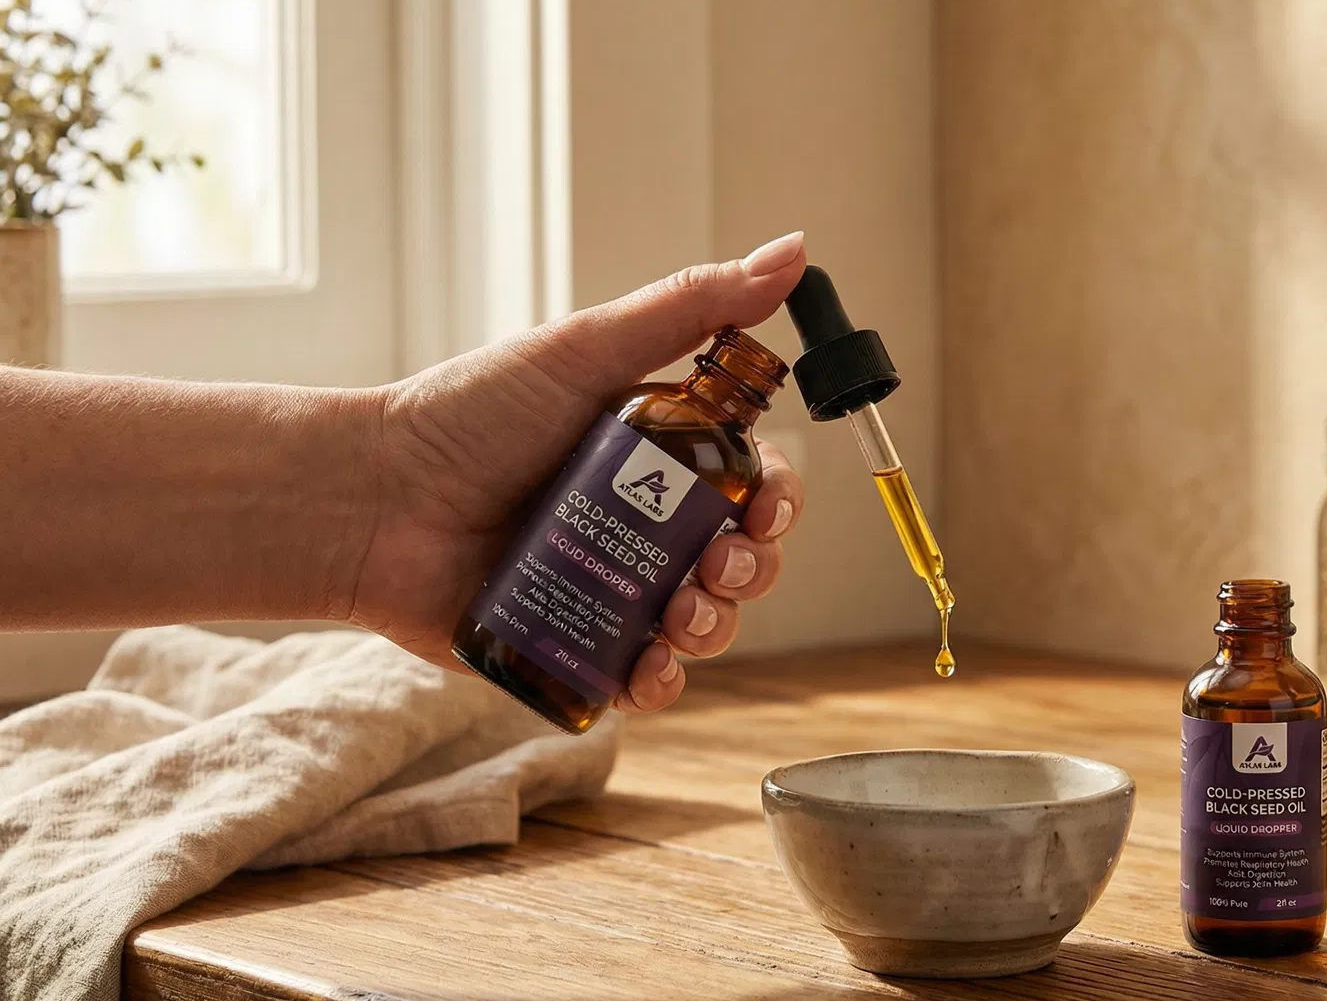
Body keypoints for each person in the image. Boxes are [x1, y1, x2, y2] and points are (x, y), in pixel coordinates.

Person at [0, 232, 811, 715]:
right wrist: (382, 485)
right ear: (715, 359)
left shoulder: (722, 461)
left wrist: (383, 489)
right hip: (512, 616)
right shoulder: (646, 411)